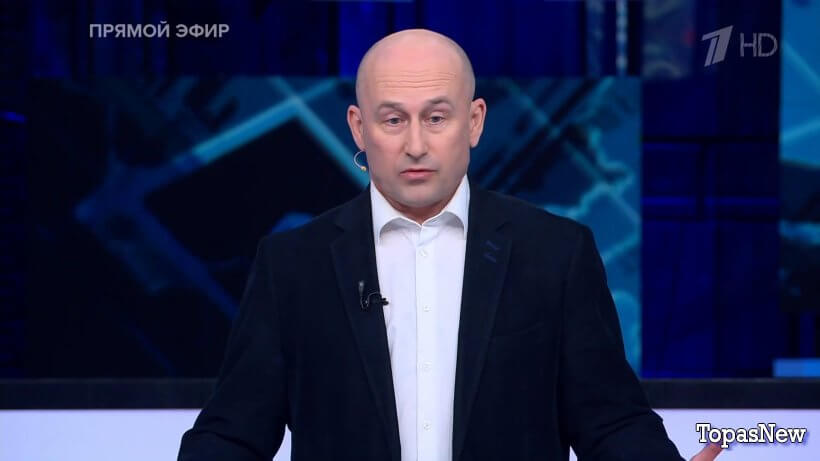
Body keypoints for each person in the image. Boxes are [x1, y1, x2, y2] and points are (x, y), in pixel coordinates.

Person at [178, 28, 722, 461]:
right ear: (359, 128)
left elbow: (610, 421)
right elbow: (234, 432)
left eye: (436, 117)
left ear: (475, 121)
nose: (416, 144)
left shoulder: (556, 252)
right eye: (393, 119)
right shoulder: (293, 264)